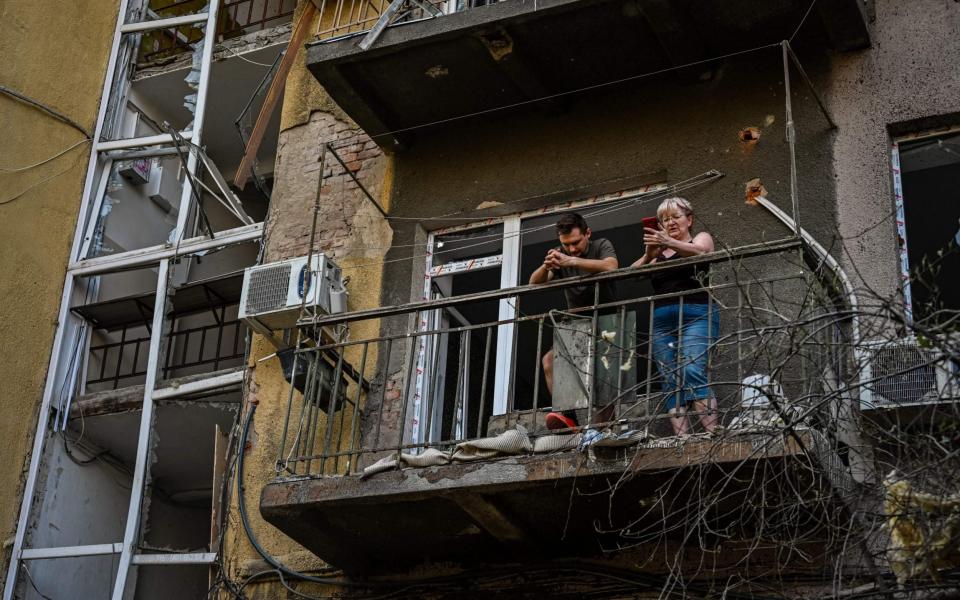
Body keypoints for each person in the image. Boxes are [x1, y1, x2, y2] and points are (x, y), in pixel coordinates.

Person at [632, 197, 719, 435]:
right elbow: (631, 275)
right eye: (664, 220)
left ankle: (712, 435)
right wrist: (650, 254)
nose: (670, 223)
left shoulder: (700, 238)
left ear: (689, 220)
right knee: (670, 379)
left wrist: (668, 241)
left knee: (692, 370)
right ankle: (683, 440)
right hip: (662, 322)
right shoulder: (659, 250)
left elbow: (701, 252)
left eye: (675, 217)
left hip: (697, 314)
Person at [529, 212, 618, 429]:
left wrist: (572, 260)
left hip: (606, 321)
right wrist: (547, 266)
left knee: (602, 376)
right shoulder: (561, 255)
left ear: (588, 233)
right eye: (566, 245)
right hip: (576, 325)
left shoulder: (601, 245)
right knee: (550, 362)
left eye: (576, 242)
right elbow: (534, 283)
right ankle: (566, 416)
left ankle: (603, 429)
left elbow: (611, 266)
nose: (572, 248)